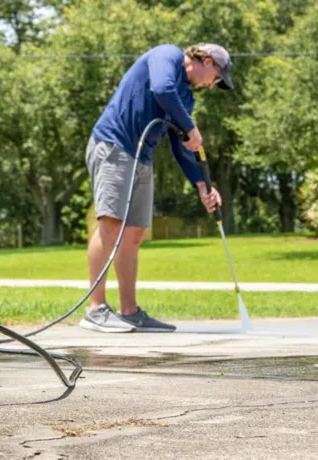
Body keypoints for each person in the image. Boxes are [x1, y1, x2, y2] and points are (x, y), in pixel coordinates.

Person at [80, 43, 232, 333]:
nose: (212, 85)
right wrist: (192, 127)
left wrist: (201, 184)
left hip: (141, 157)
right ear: (208, 61)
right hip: (114, 146)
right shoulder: (168, 55)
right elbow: (162, 89)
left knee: (134, 233)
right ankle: (95, 309)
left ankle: (130, 312)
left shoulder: (186, 98)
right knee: (110, 225)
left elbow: (180, 145)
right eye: (217, 78)